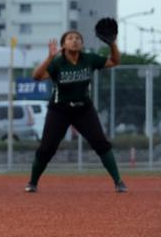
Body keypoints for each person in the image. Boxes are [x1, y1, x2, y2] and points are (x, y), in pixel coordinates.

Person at [24, 29, 126, 193]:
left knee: (101, 144)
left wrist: (112, 43)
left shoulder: (88, 59)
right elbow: (37, 76)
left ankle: (118, 181)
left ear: (82, 44)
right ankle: (32, 182)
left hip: (83, 109)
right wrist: (50, 57)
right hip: (59, 110)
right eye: (70, 38)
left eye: (78, 38)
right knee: (46, 148)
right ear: (63, 45)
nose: (75, 40)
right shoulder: (58, 62)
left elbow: (114, 61)